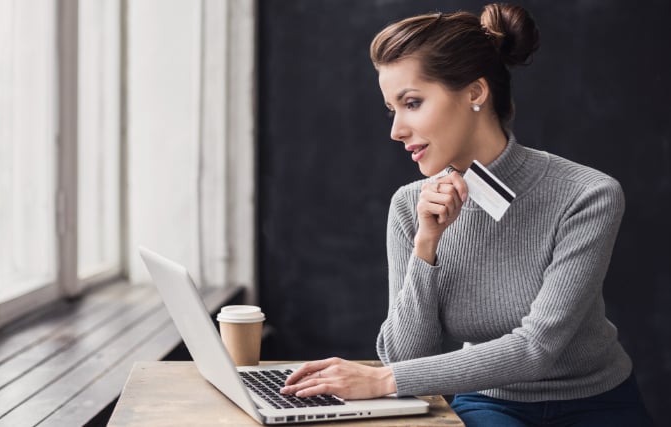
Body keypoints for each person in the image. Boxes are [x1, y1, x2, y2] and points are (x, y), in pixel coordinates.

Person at [279, 3, 654, 426]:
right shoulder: (410, 206)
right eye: (392, 109)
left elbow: (537, 348)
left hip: (597, 402)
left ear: (476, 93)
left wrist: (381, 380)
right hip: (491, 402)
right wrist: (426, 247)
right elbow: (408, 360)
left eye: (412, 103)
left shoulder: (588, 195)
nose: (396, 129)